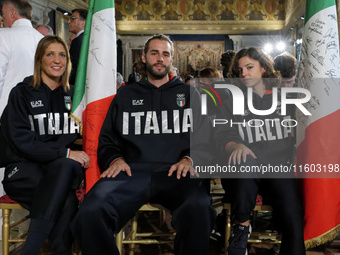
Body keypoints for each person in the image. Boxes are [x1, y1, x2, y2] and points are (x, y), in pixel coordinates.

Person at [71, 34, 216, 255]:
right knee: (91, 210)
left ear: (171, 59)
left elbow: (206, 138)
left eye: (165, 54)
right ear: (144, 57)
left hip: (176, 173)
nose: (160, 58)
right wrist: (115, 159)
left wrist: (190, 158)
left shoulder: (190, 93)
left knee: (200, 209)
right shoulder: (125, 95)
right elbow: (108, 140)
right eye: (154, 53)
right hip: (131, 173)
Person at [0, 35, 89, 255]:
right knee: (66, 199)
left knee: (66, 168)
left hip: (58, 170)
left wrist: (67, 155)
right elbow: (21, 141)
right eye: (50, 54)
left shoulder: (74, 98)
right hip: (23, 170)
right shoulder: (21, 93)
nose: (57, 60)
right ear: (39, 59)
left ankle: (29, 250)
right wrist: (65, 152)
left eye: (62, 55)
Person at [215, 48, 305, 255]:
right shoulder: (232, 100)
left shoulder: (285, 99)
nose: (243, 74)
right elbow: (222, 135)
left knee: (293, 214)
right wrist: (235, 145)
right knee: (245, 164)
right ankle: (242, 227)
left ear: (264, 68)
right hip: (244, 171)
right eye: (239, 70)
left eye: (249, 67)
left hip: (277, 167)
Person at [0, 0, 43, 116]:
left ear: (12, 12)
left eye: (3, 13)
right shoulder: (43, 40)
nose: (2, 18)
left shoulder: (3, 36)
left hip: (7, 111)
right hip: (38, 111)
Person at [68, 8, 88, 85]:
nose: (69, 22)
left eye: (72, 19)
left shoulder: (78, 41)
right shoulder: (90, 39)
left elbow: (75, 69)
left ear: (84, 22)